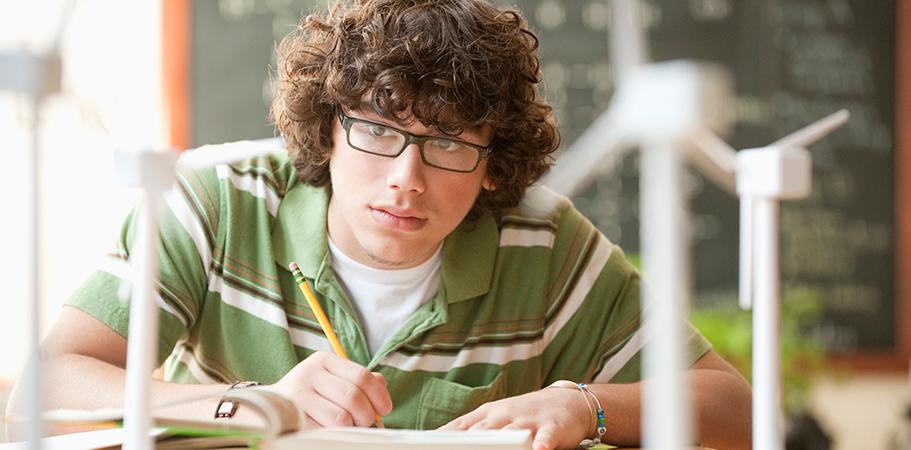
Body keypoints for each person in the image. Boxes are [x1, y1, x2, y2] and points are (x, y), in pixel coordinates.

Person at [7, 0, 752, 449]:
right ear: (327, 130)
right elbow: (45, 388)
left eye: (450, 144)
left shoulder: (546, 241)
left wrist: (583, 405)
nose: (406, 177)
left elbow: (734, 413)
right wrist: (252, 406)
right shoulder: (212, 200)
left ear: (495, 164)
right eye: (376, 131)